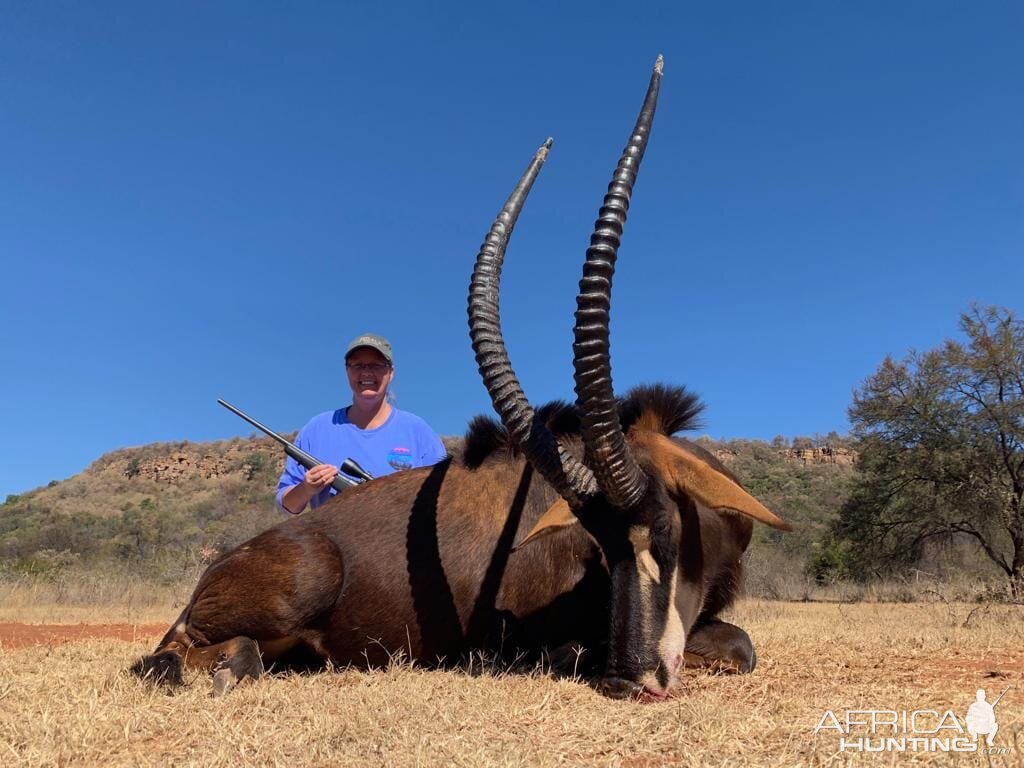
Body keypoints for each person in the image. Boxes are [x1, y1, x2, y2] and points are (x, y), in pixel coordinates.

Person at [276, 332, 446, 514]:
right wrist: (306, 489)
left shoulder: (418, 431)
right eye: (357, 365)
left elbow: (445, 501)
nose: (366, 372)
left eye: (376, 365)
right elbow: (287, 505)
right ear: (347, 371)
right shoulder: (317, 428)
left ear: (391, 373)